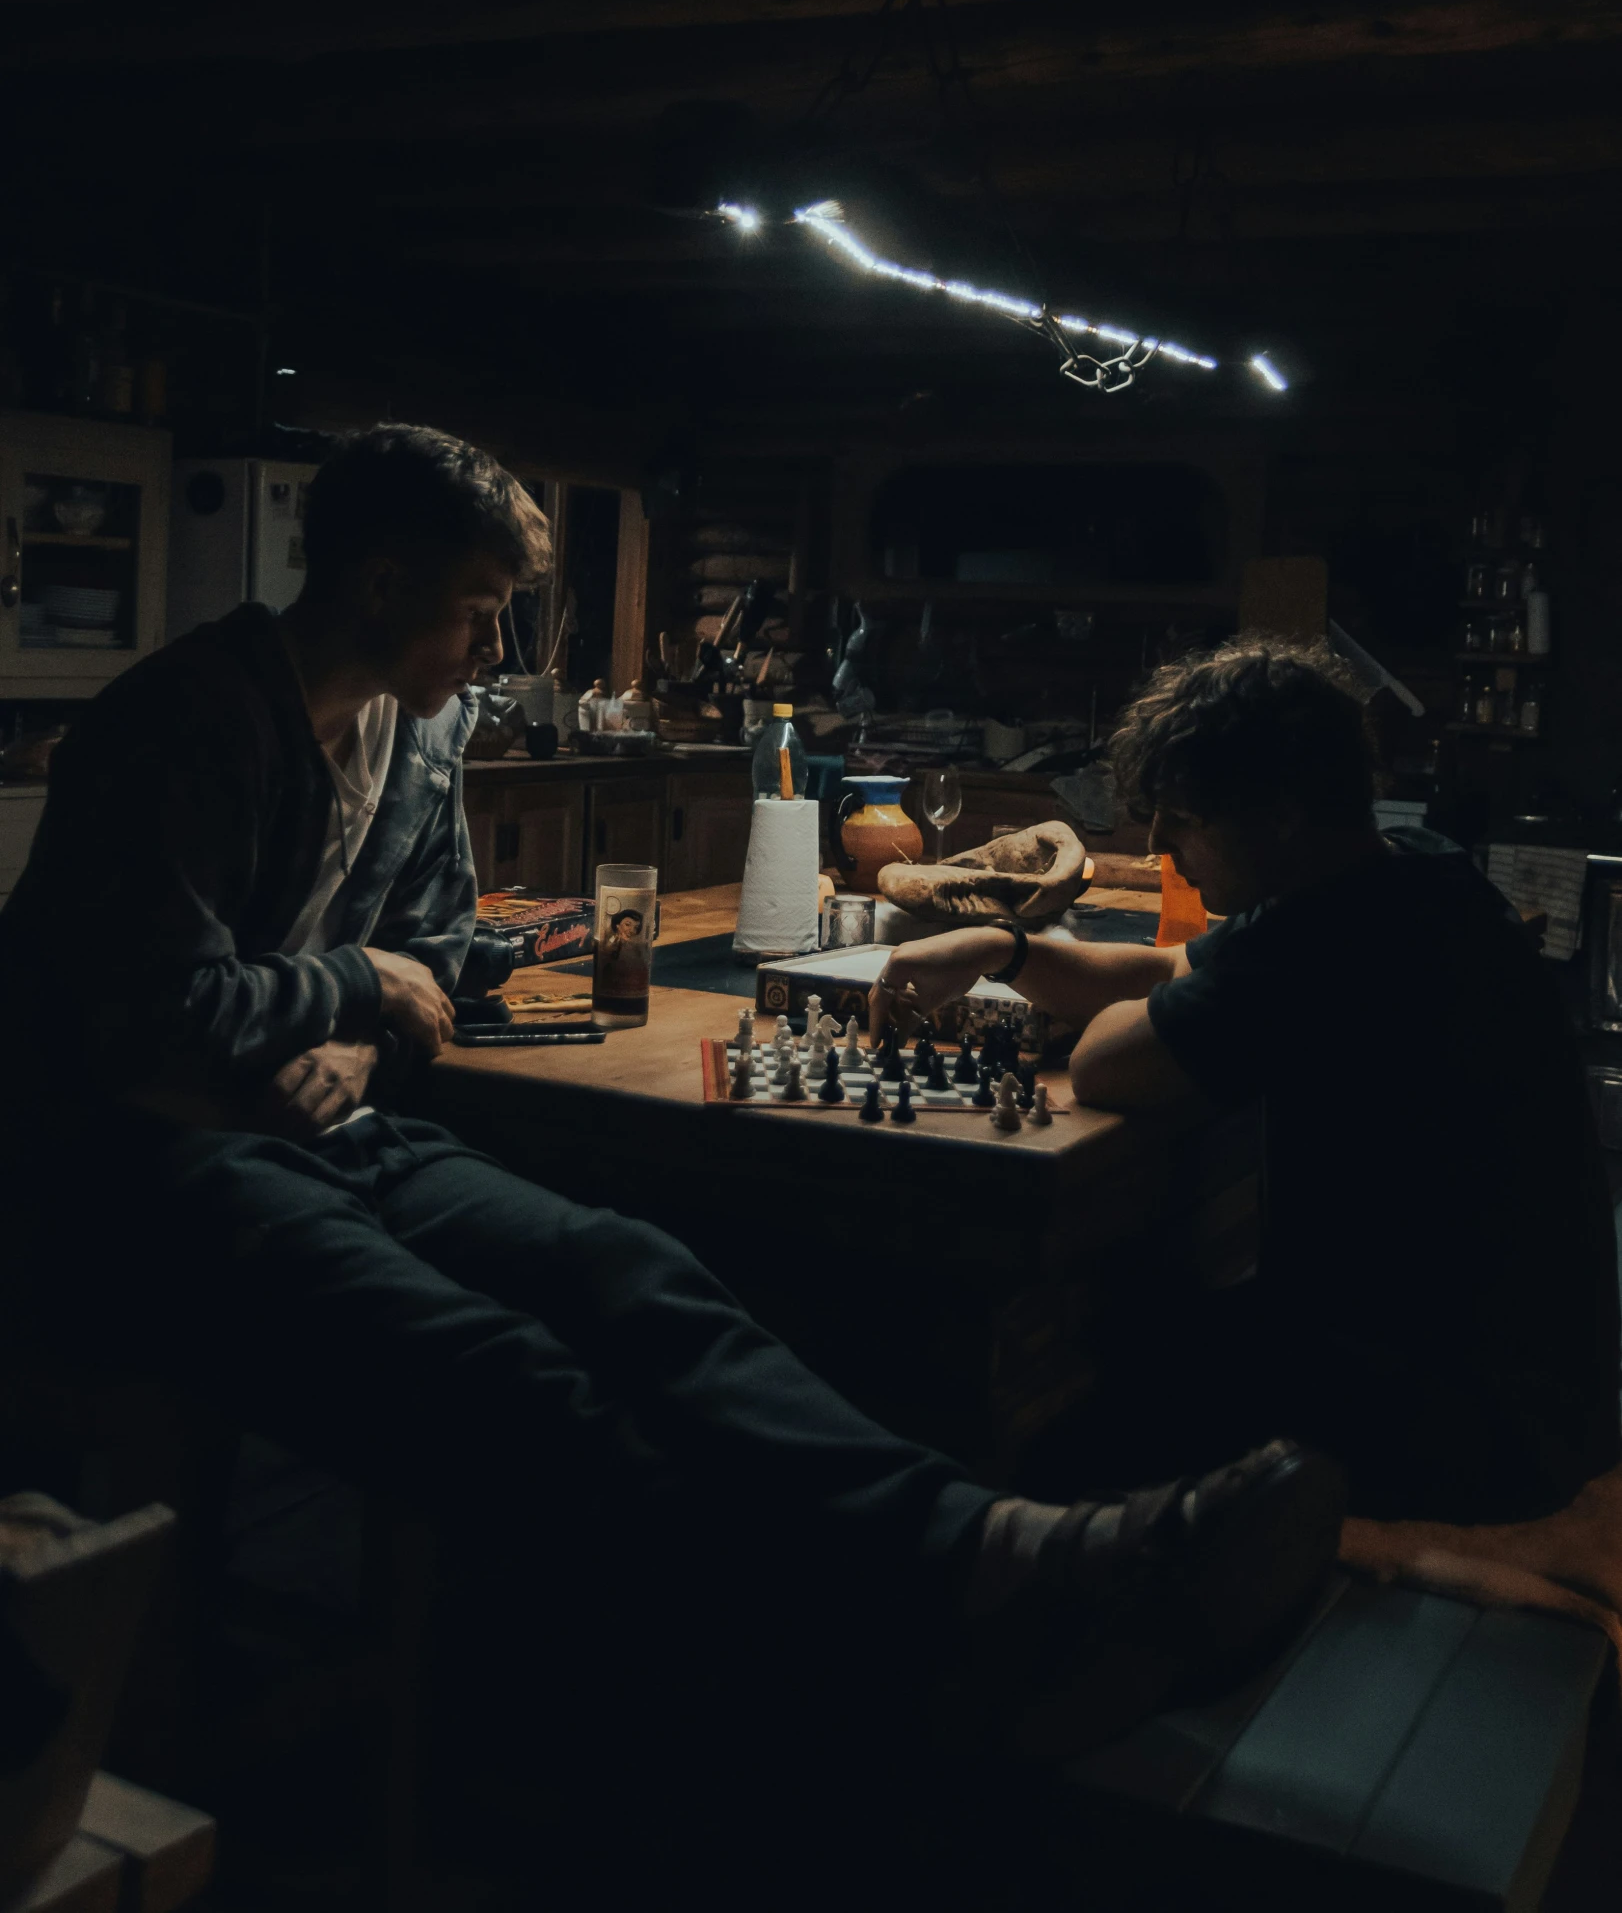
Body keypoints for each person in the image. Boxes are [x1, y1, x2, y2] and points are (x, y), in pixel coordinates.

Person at [0, 428, 1342, 1806]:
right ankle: (904, 1652)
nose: (496, 640)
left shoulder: (419, 728)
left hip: (321, 1128)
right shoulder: (189, 720)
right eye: (478, 606)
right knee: (500, 1369)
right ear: (384, 584)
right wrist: (353, 983)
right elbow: (131, 1018)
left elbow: (453, 949)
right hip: (131, 1163)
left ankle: (990, 1549)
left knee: (624, 1265)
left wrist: (354, 1014)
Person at [873, 640, 1622, 1526]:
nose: (1156, 843)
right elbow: (1169, 965)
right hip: (1541, 1388)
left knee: (1045, 1409)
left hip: (1465, 1424)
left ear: (1280, 814)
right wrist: (1006, 947)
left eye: (1182, 817)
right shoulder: (1408, 869)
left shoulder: (1325, 945)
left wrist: (1095, 991)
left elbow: (1103, 1062)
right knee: (1126, 1326)